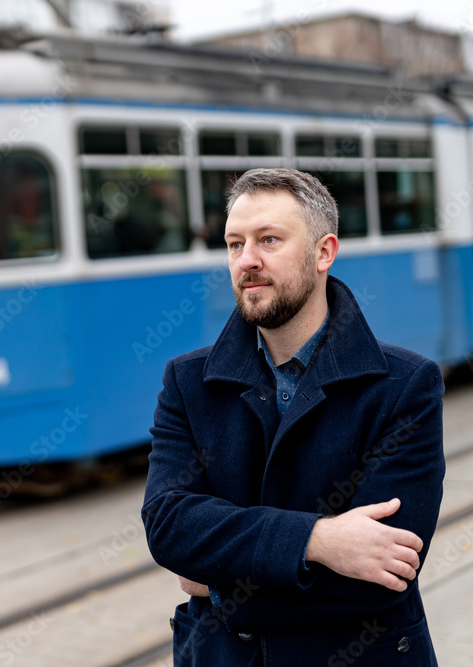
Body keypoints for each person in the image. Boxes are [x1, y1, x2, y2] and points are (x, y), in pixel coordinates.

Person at [141, 168, 445, 666]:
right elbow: (169, 525)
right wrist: (318, 540)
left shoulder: (404, 385)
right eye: (235, 244)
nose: (248, 261)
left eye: (269, 240)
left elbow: (385, 576)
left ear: (324, 252)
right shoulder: (188, 382)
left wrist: (217, 586)